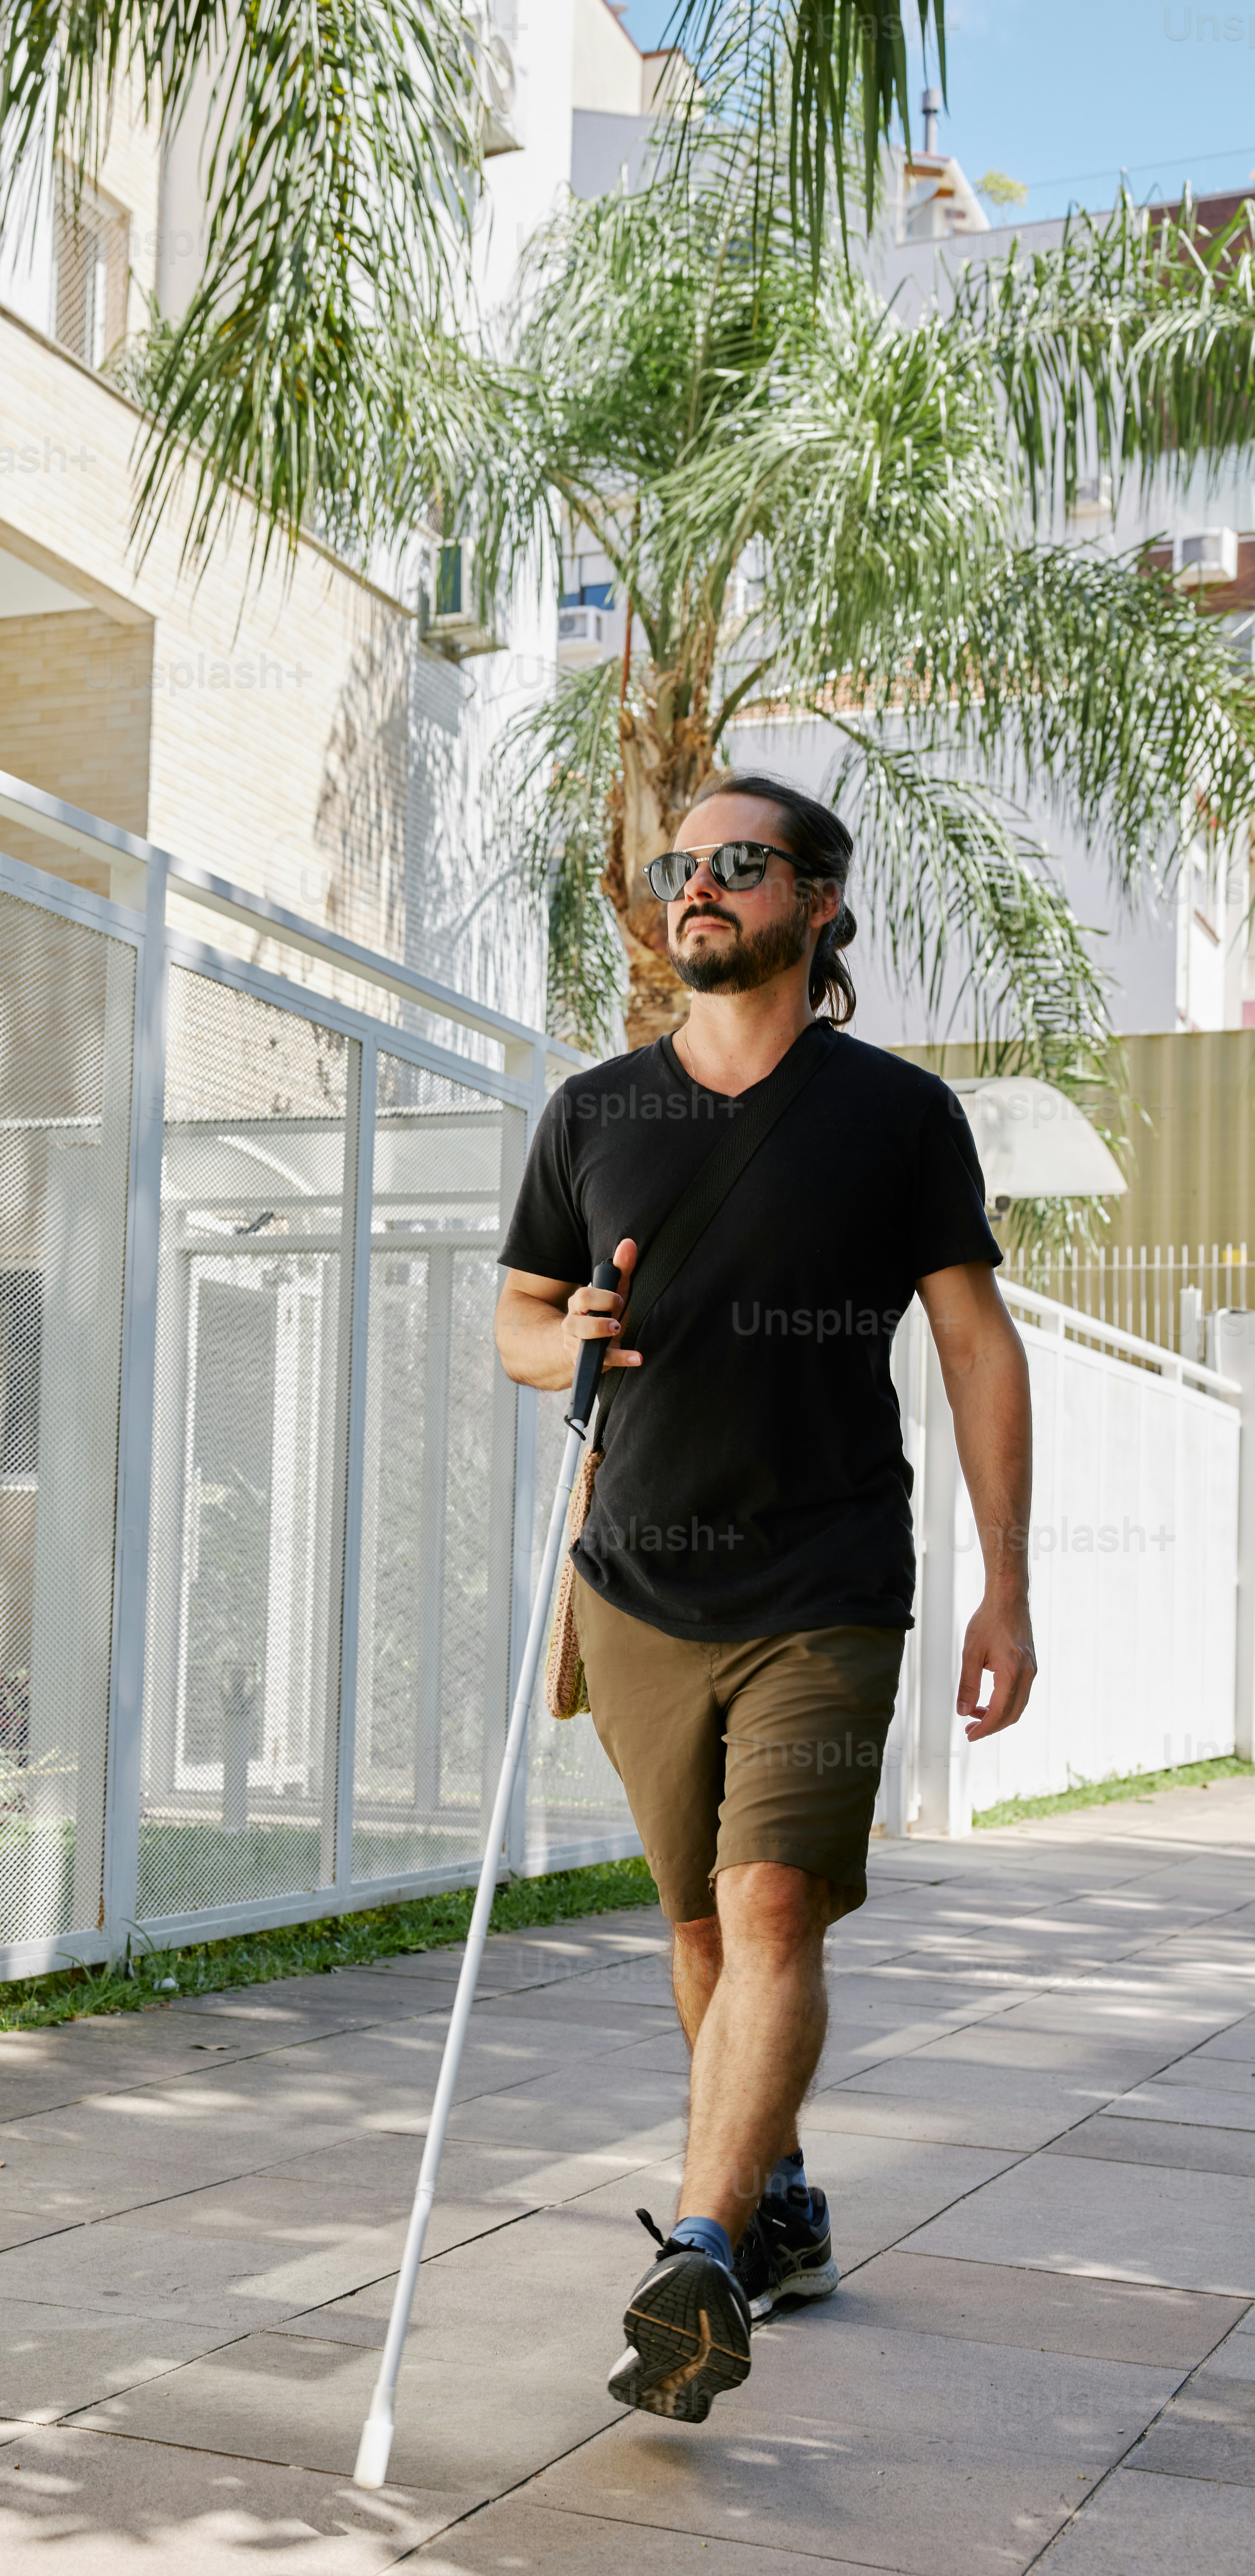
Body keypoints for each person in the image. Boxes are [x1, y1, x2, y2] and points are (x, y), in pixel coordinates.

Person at [495, 771, 1036, 2422]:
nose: (698, 888)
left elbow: (973, 1345)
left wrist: (1004, 1587)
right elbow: (518, 1325)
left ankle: (709, 2250)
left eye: (739, 864)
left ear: (816, 902)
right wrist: (564, 1339)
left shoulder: (892, 1115)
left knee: (774, 1904)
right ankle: (781, 2192)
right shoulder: (595, 1112)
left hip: (825, 1581)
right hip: (637, 1588)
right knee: (698, 1930)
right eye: (679, 867)